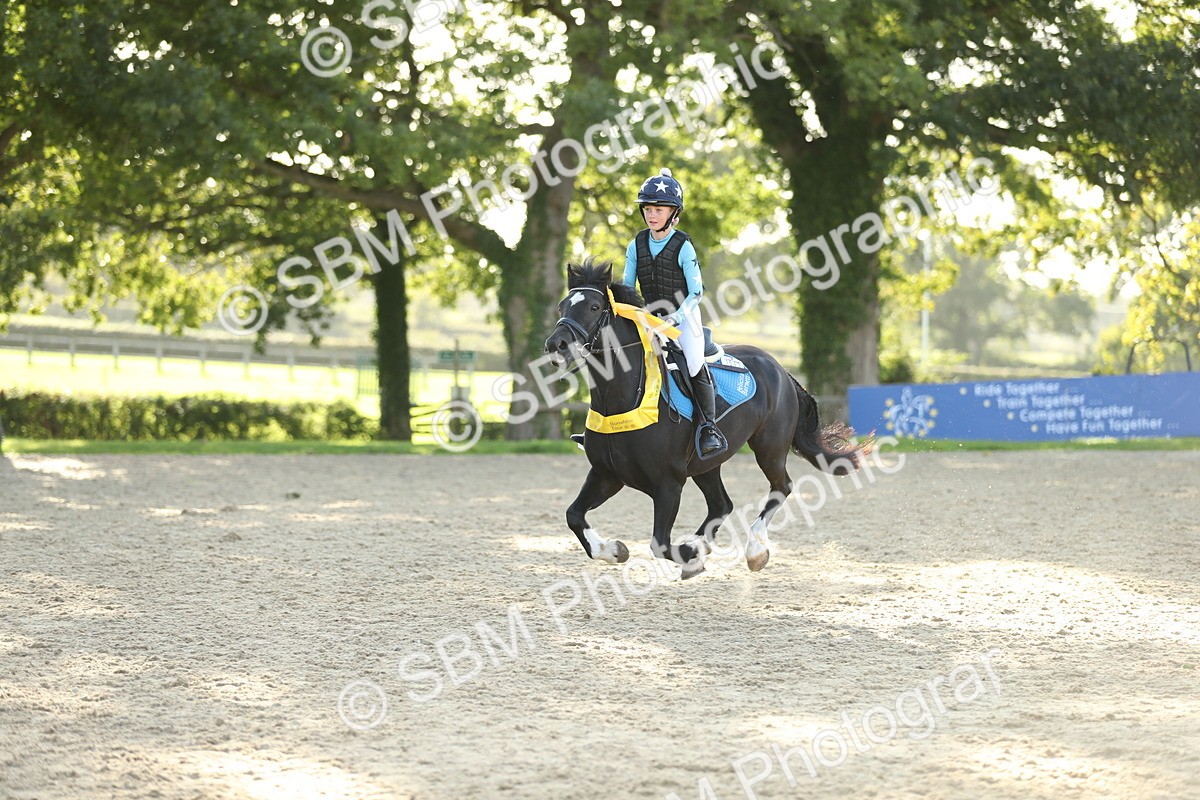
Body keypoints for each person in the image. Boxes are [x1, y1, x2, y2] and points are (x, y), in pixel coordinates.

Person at [622, 168, 727, 459]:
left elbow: (696, 292)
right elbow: (627, 287)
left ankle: (709, 427)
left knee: (693, 362)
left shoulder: (683, 246)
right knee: (617, 356)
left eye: (658, 209)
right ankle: (606, 429)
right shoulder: (636, 245)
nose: (651, 215)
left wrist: (674, 319)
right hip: (649, 318)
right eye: (648, 209)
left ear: (673, 214)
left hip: (683, 318)